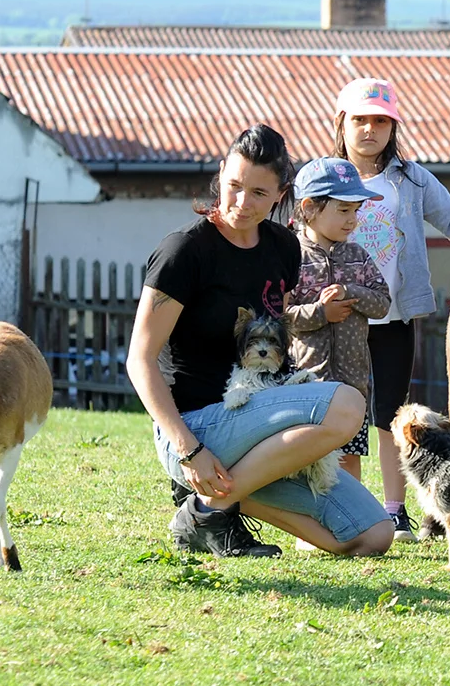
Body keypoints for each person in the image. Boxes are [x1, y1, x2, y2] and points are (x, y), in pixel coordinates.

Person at [129, 125, 391, 558]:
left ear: (280, 194)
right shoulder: (183, 252)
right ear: (220, 174)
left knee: (372, 537)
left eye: (257, 193)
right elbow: (139, 360)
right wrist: (188, 449)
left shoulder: (283, 247)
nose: (241, 203)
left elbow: (281, 338)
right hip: (198, 431)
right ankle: (209, 505)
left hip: (263, 424)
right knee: (347, 405)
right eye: (233, 186)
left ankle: (210, 504)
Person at [331, 78, 450, 543]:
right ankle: (345, 508)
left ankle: (394, 512)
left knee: (393, 416)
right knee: (340, 414)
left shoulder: (411, 179)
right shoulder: (322, 175)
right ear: (341, 123)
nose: (369, 130)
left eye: (380, 121)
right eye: (360, 120)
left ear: (393, 127)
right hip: (338, 320)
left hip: (393, 317)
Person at [287, 157, 392, 483]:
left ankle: (352, 528)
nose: (353, 221)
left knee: (347, 461)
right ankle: (309, 534)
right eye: (344, 210)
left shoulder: (358, 256)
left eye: (356, 211)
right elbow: (280, 317)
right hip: (307, 384)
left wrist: (353, 291)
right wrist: (321, 312)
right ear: (309, 208)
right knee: (307, 460)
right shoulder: (291, 256)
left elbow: (383, 304)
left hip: (353, 384)